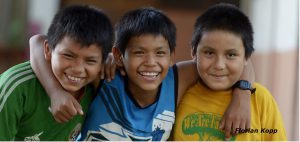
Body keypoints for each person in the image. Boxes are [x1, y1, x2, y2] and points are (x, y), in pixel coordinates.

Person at [29, 7, 254, 141]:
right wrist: (55, 92)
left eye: (159, 53)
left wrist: (243, 96)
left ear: (171, 55)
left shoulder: (175, 80)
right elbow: (37, 42)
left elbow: (241, 60)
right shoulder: (106, 77)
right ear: (118, 56)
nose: (150, 63)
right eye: (139, 52)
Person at [172, 3, 287, 141]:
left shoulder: (260, 100)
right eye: (209, 53)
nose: (219, 65)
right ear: (193, 52)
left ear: (246, 58)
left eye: (231, 55)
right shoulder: (179, 94)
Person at [0, 5, 113, 141]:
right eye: (68, 56)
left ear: (103, 63)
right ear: (48, 50)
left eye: (90, 61)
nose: (77, 68)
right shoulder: (16, 88)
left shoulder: (97, 88)